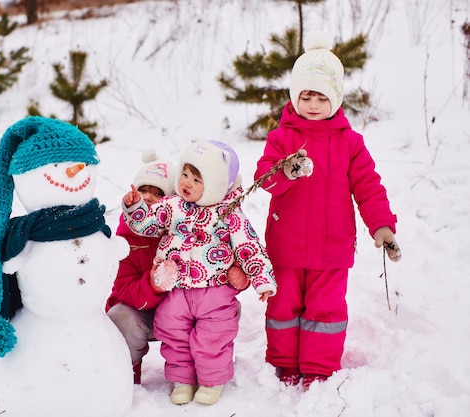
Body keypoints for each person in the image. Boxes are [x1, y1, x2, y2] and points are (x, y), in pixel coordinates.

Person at [253, 31, 402, 390]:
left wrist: (381, 225)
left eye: (322, 97)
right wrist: (285, 171)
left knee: (326, 310)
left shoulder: (350, 143)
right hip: (286, 246)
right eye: (306, 96)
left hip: (331, 248)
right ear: (295, 97)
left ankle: (318, 368)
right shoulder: (281, 138)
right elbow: (264, 179)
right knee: (284, 306)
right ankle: (286, 363)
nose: (314, 104)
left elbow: (368, 186)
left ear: (335, 99)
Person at [122, 140, 276, 405]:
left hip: (214, 291)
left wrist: (262, 279)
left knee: (212, 338)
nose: (186, 183)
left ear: (215, 184)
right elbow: (146, 226)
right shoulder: (172, 206)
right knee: (172, 332)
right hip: (177, 289)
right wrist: (136, 208)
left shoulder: (230, 214)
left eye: (197, 179)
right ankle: (182, 380)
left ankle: (212, 380)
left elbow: (249, 246)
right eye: (184, 175)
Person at [105, 150, 175, 385]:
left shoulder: (180, 233)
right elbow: (123, 288)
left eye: (159, 193)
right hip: (139, 311)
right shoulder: (126, 237)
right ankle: (126, 373)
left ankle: (189, 371)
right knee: (119, 316)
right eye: (143, 190)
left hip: (177, 313)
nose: (149, 197)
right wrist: (152, 285)